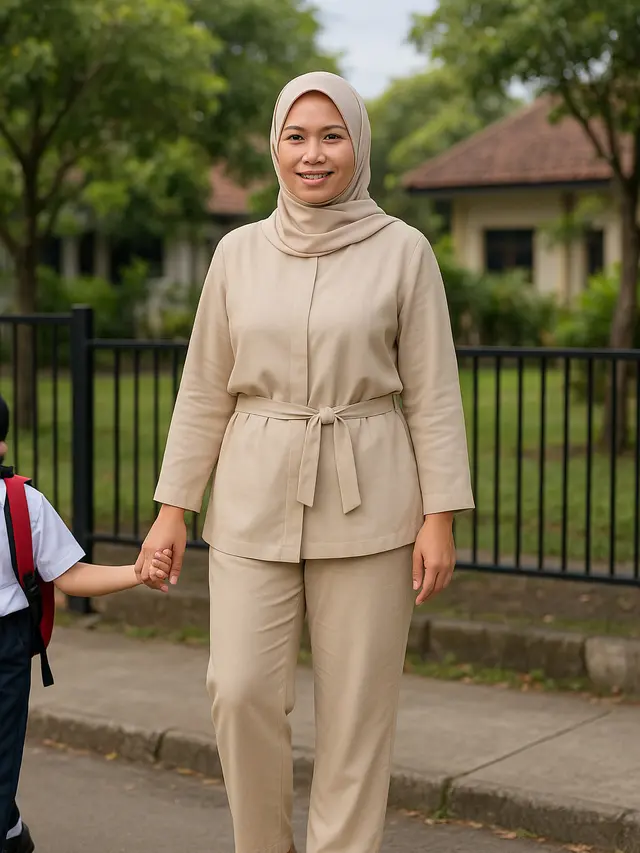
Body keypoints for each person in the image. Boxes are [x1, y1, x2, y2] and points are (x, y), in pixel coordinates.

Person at [138, 71, 474, 853]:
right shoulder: (236, 252)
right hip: (253, 496)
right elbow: (202, 388)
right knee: (239, 689)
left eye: (332, 135)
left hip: (373, 504)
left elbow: (433, 392)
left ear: (358, 144)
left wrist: (440, 516)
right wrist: (172, 506)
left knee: (358, 712)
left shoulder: (404, 251)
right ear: (275, 145)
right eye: (297, 136)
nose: (313, 154)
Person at [0, 393, 172, 853]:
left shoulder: (22, 504)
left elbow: (70, 574)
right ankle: (11, 831)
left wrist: (136, 573)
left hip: (5, 651)